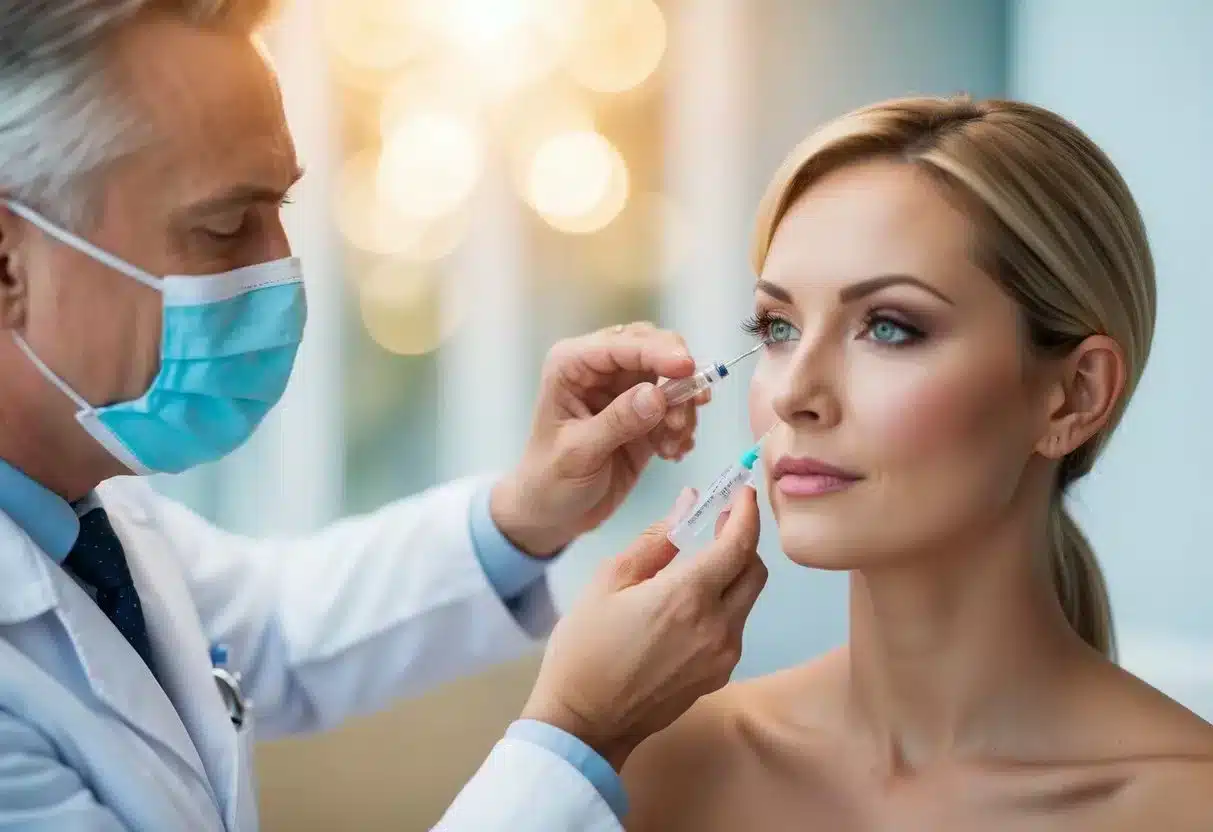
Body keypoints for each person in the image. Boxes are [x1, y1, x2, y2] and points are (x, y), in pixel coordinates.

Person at [0, 3, 768, 831]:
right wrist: (579, 734)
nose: (279, 271)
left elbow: (279, 630)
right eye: (223, 227)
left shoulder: (88, 522)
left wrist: (526, 513)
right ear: (9, 264)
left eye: (280, 213)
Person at [621, 95, 1213, 830]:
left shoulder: (1186, 804)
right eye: (777, 327)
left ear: (1072, 396)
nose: (794, 395)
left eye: (889, 328)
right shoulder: (659, 769)